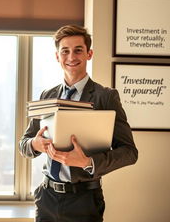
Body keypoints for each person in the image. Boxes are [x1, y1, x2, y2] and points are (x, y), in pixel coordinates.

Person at [19, 25, 138, 222]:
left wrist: (87, 162)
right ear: (57, 56)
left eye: (78, 50)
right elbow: (24, 143)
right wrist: (34, 144)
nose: (71, 57)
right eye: (65, 51)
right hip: (46, 198)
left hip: (84, 200)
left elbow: (129, 152)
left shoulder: (105, 97)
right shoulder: (47, 96)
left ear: (89, 54)